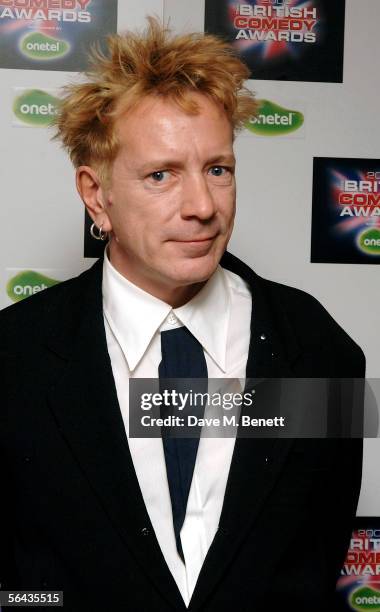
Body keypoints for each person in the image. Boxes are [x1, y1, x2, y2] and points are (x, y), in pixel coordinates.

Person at [0, 18, 364, 612]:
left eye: (217, 169)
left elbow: (315, 562)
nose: (202, 207)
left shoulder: (322, 350)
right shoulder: (13, 357)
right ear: (97, 195)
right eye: (161, 175)